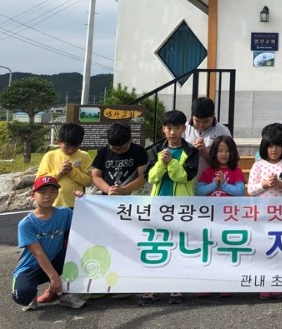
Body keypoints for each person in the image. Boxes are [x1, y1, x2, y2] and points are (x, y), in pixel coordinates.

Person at [140, 110, 200, 307]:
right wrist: (160, 163)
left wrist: (170, 162)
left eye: (177, 128)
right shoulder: (156, 150)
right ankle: (153, 287)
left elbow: (185, 176)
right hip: (158, 205)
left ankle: (177, 286)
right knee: (157, 245)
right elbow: (151, 177)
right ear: (163, 129)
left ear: (184, 129)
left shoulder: (191, 151)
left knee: (178, 245)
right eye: (169, 128)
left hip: (181, 207)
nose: (172, 132)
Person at [11, 176, 86, 311]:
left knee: (78, 253)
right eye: (43, 192)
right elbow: (38, 253)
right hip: (31, 266)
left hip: (55, 260)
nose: (47, 196)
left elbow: (84, 219)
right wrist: (54, 277)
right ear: (33, 195)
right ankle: (31, 294)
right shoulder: (26, 223)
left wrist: (82, 201)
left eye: (52, 192)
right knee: (22, 296)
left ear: (57, 194)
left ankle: (68, 294)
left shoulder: (64, 213)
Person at [248, 126, 282, 300]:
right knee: (264, 250)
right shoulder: (258, 165)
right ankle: (264, 284)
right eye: (270, 146)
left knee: (280, 251)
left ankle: (278, 283)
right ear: (264, 147)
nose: (274, 150)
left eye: (277, 146)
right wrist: (265, 185)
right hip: (262, 216)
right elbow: (251, 190)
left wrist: (280, 185)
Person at [36, 122, 93, 208]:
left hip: (76, 203)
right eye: (67, 146)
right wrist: (59, 171)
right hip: (54, 204)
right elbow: (39, 181)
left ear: (80, 144)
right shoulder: (50, 156)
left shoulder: (84, 156)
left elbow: (89, 181)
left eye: (75, 146)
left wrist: (72, 172)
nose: (71, 150)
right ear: (59, 142)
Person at [90, 122, 148, 196]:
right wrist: (109, 190)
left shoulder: (138, 151)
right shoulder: (104, 152)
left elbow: (143, 177)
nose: (118, 151)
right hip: (108, 196)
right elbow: (96, 176)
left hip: (131, 196)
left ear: (130, 139)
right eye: (114, 148)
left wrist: (123, 190)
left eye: (123, 148)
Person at [183, 96, 232, 175]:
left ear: (213, 115)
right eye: (197, 121)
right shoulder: (183, 129)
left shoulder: (223, 131)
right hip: (186, 179)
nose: (201, 125)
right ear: (192, 116)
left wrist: (205, 151)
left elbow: (230, 159)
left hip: (213, 179)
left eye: (205, 121)